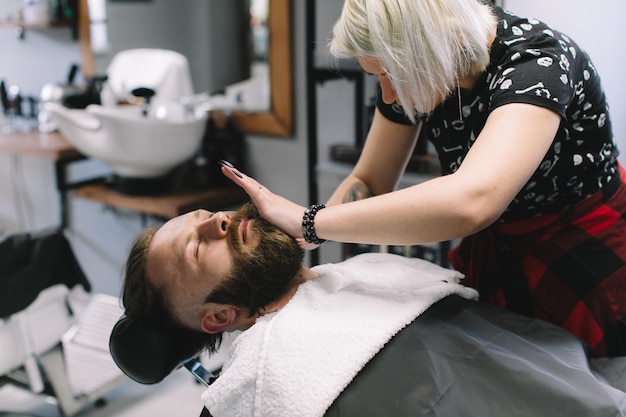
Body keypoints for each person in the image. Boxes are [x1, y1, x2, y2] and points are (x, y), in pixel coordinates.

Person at [220, 0, 626, 358]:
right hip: (497, 248)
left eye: (388, 75)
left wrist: (310, 219)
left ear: (426, 46)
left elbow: (473, 200)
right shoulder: (422, 69)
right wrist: (295, 246)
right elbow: (371, 179)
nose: (390, 96)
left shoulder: (537, 61)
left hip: (581, 247)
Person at [119, 201, 626, 417]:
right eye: (196, 248)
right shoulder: (261, 387)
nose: (220, 223)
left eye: (207, 216)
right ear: (218, 318)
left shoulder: (358, 275)